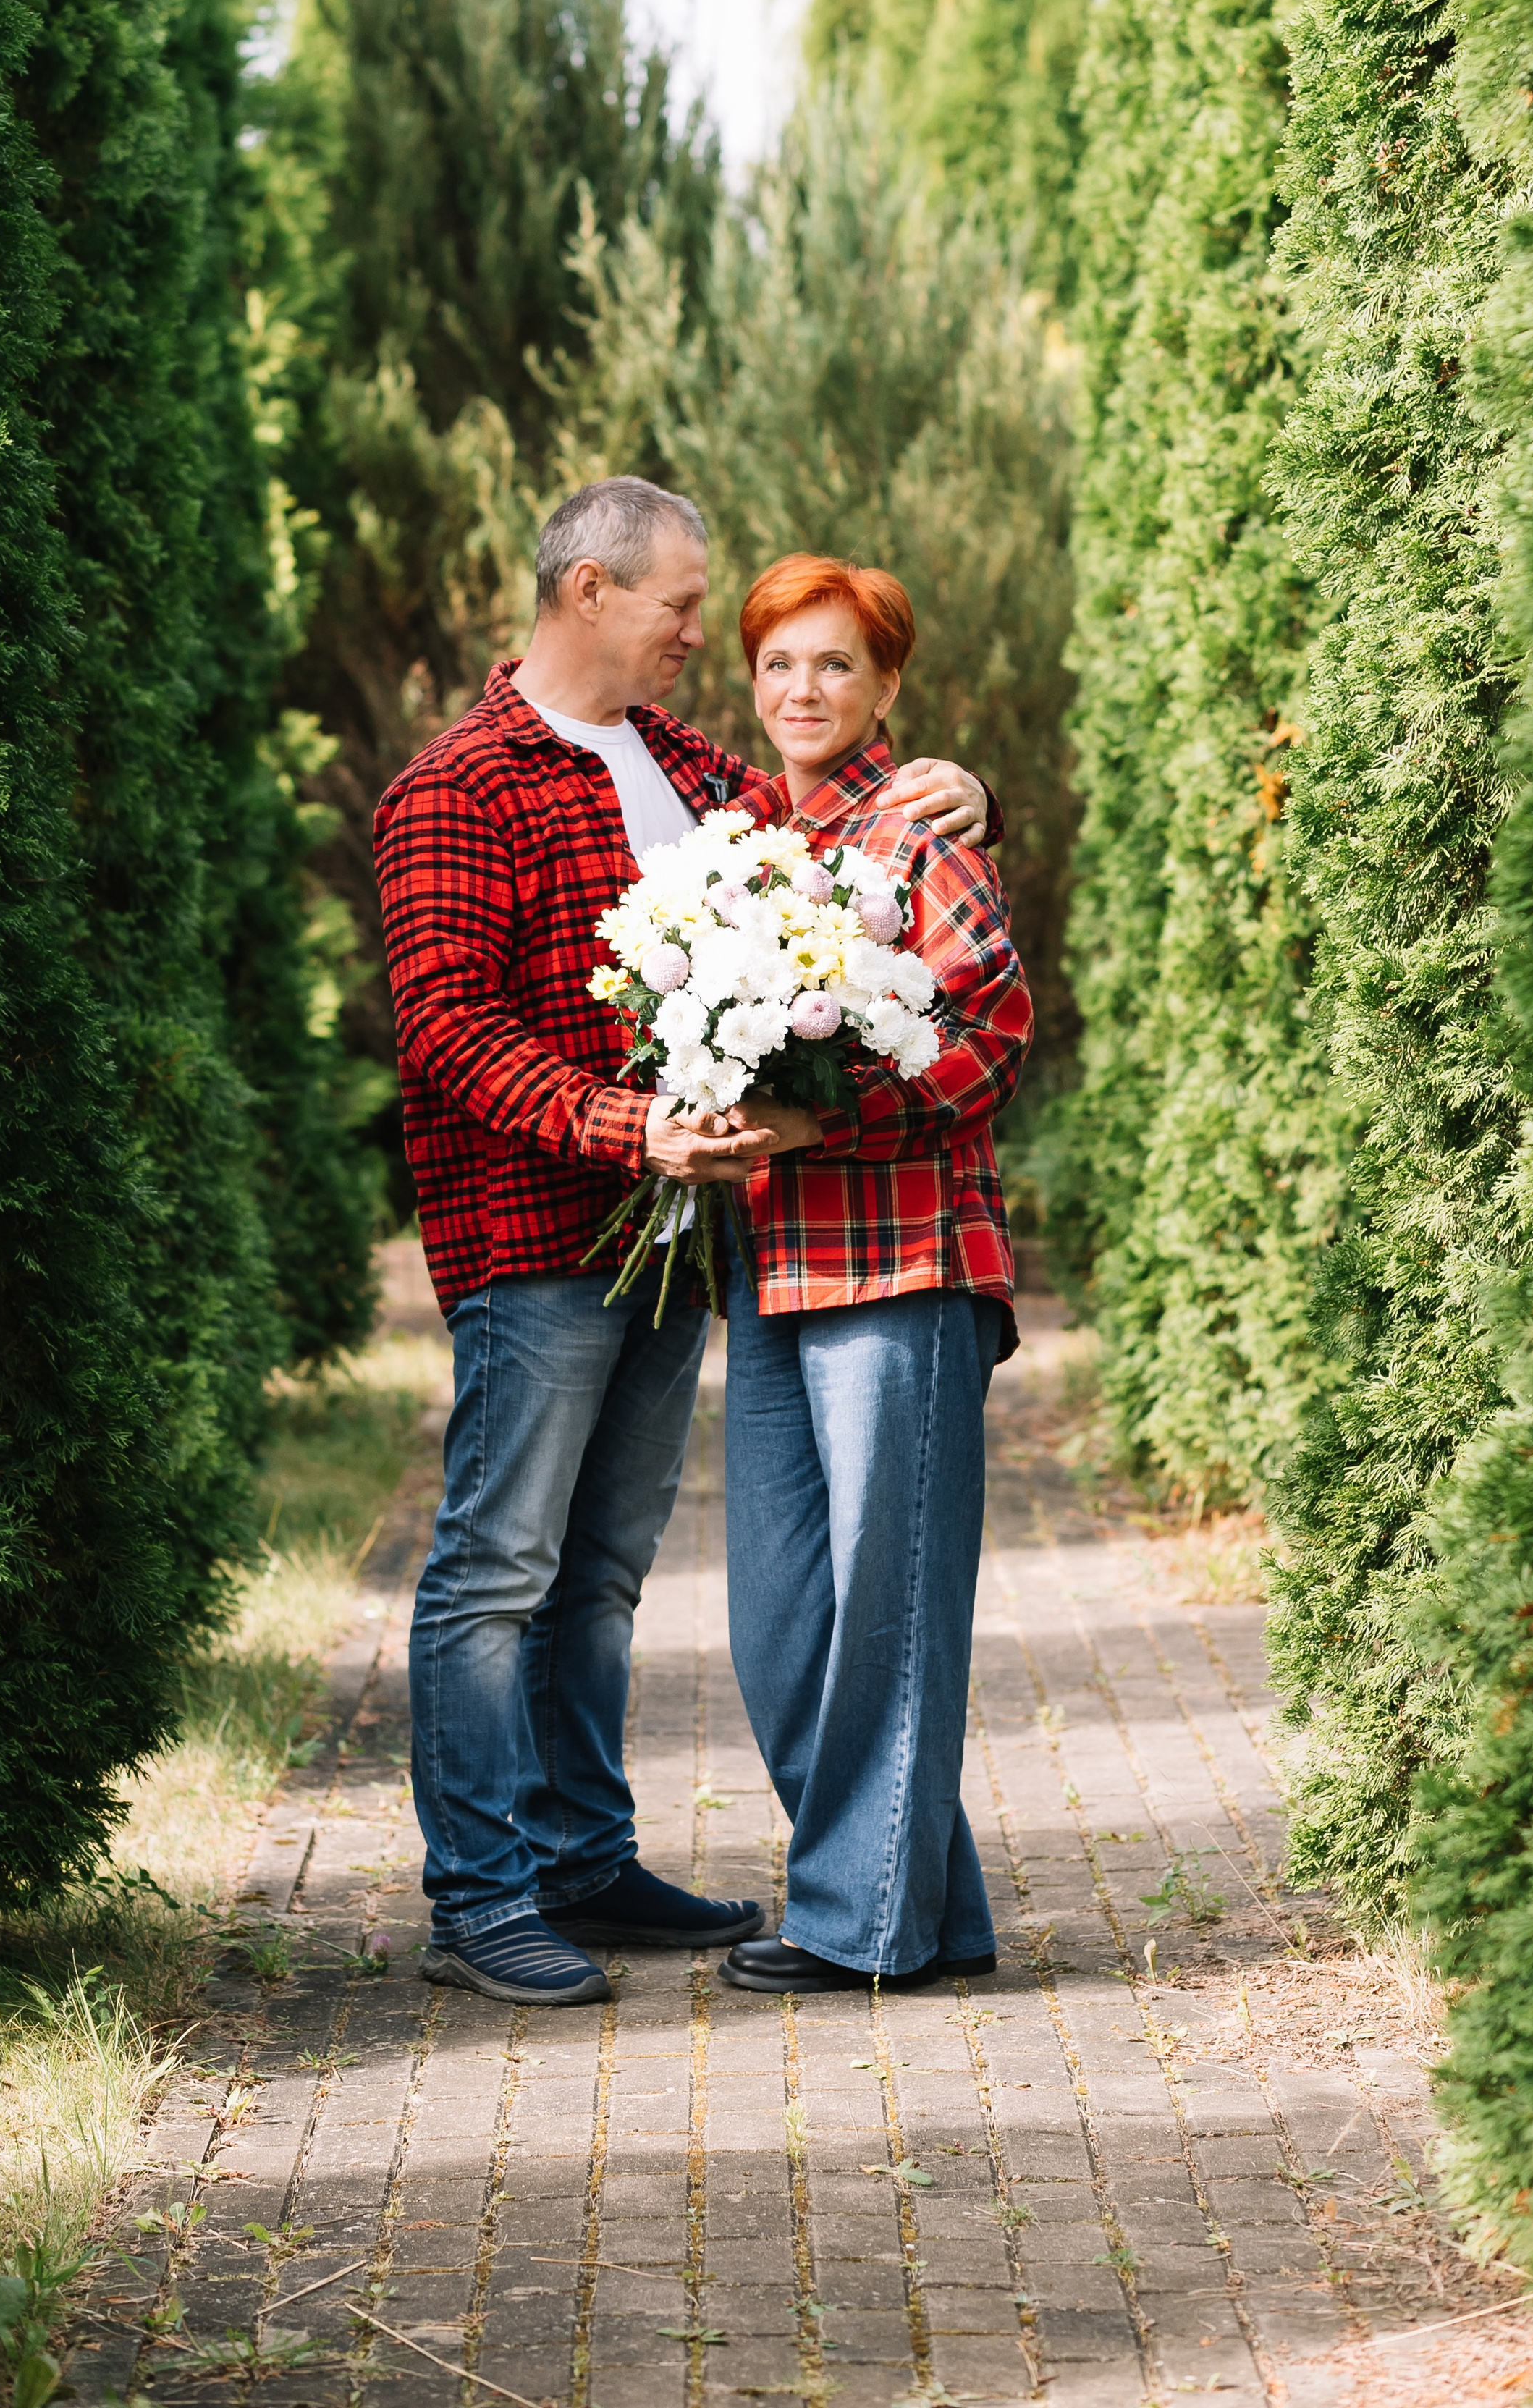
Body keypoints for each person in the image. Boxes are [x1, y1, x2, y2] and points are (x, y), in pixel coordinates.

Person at [372, 478, 995, 2006]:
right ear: (588, 591)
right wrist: (619, 1125)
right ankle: (481, 1894)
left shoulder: (679, 763)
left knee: (599, 1573)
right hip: (535, 1235)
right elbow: (445, 1027)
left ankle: (584, 1858)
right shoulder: (459, 782)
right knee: (497, 1567)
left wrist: (952, 783)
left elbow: (829, 811)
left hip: (676, 1238)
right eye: (679, 605)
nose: (701, 636)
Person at [708, 555, 1034, 1995]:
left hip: (901, 1257)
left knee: (887, 1616)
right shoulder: (736, 842)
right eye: (779, 663)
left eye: (833, 665)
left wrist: (830, 1112)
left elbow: (994, 1029)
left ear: (885, 686)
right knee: (776, 1624)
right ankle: (935, 1907)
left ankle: (857, 1926)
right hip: (768, 1260)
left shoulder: (918, 830)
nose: (801, 691)